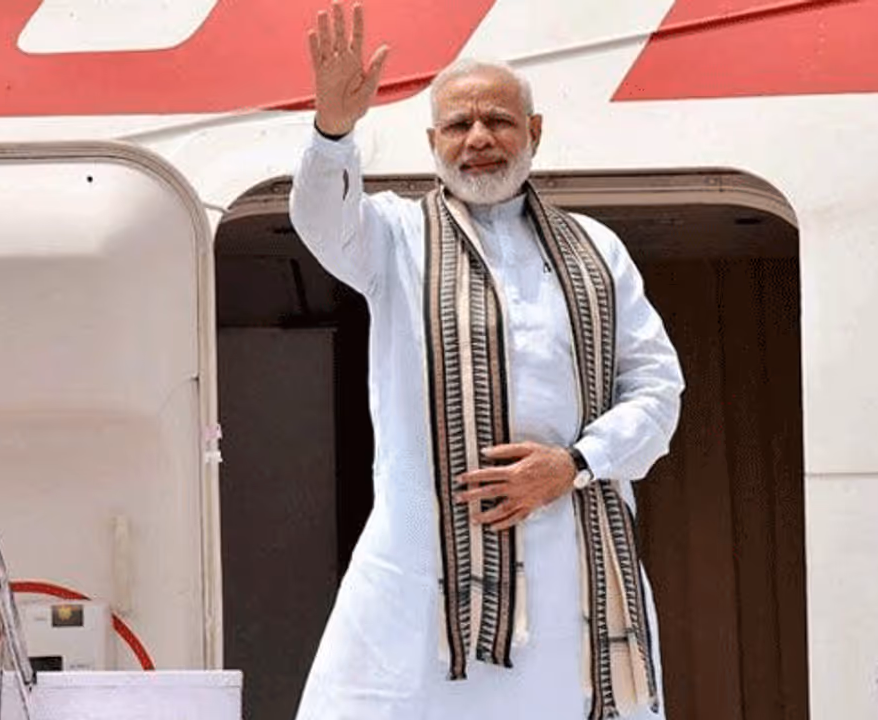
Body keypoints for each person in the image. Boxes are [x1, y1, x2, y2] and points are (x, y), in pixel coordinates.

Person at [289, 3, 683, 718]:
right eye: (458, 126)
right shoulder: (395, 238)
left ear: (533, 132)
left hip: (575, 565)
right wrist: (333, 130)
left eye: (498, 121)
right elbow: (321, 219)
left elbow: (657, 392)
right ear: (432, 141)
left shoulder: (596, 250)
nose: (478, 140)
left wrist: (575, 463)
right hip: (423, 573)